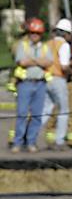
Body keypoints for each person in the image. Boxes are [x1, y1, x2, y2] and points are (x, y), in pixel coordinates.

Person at [11, 18, 53, 153]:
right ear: (29, 33)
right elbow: (22, 62)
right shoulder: (22, 46)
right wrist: (38, 61)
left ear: (41, 34)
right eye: (33, 32)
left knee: (36, 115)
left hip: (40, 84)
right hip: (25, 84)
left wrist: (32, 60)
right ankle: (17, 142)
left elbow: (48, 62)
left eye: (38, 33)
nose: (35, 35)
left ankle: (31, 142)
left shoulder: (45, 47)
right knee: (22, 114)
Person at [41, 18, 72, 151]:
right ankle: (60, 141)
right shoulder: (64, 45)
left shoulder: (47, 43)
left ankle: (30, 136)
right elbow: (64, 66)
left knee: (45, 111)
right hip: (59, 79)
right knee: (63, 111)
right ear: (66, 34)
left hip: (46, 78)